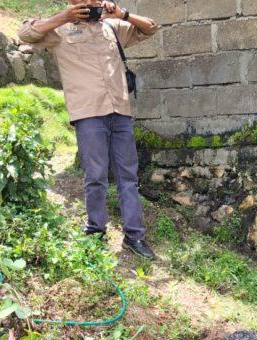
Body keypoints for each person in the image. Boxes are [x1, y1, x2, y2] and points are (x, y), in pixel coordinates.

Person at [18, 1, 158, 260]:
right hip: (88, 114)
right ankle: (96, 231)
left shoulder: (111, 27)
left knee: (128, 177)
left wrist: (122, 13)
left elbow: (150, 28)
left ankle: (134, 236)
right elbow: (25, 33)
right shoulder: (59, 31)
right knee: (95, 176)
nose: (92, 3)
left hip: (120, 111)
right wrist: (64, 16)